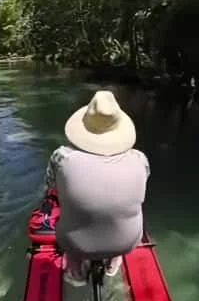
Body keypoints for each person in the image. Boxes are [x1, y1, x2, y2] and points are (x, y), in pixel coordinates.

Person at [44, 90, 150, 287]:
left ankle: (76, 271)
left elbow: (50, 185)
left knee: (66, 212)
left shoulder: (62, 157)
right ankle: (114, 263)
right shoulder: (140, 159)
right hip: (128, 241)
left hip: (76, 242)